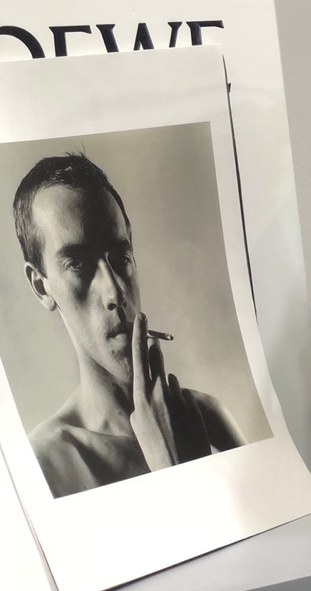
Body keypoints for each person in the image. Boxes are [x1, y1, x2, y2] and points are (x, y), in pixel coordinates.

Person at [14, 153, 245, 498]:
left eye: (121, 257)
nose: (115, 292)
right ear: (41, 286)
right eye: (78, 264)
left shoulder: (208, 418)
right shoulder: (43, 467)